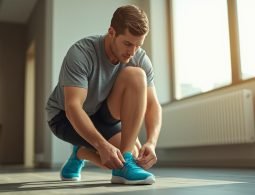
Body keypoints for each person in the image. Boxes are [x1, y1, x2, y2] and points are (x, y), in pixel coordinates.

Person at [46, 4, 162, 185]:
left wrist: (152, 143)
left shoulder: (138, 57)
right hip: (63, 118)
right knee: (112, 157)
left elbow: (153, 105)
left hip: (102, 113)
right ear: (112, 32)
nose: (132, 52)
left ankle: (112, 161)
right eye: (127, 43)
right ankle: (83, 152)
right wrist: (102, 145)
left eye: (138, 45)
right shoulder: (81, 53)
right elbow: (73, 107)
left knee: (133, 154)